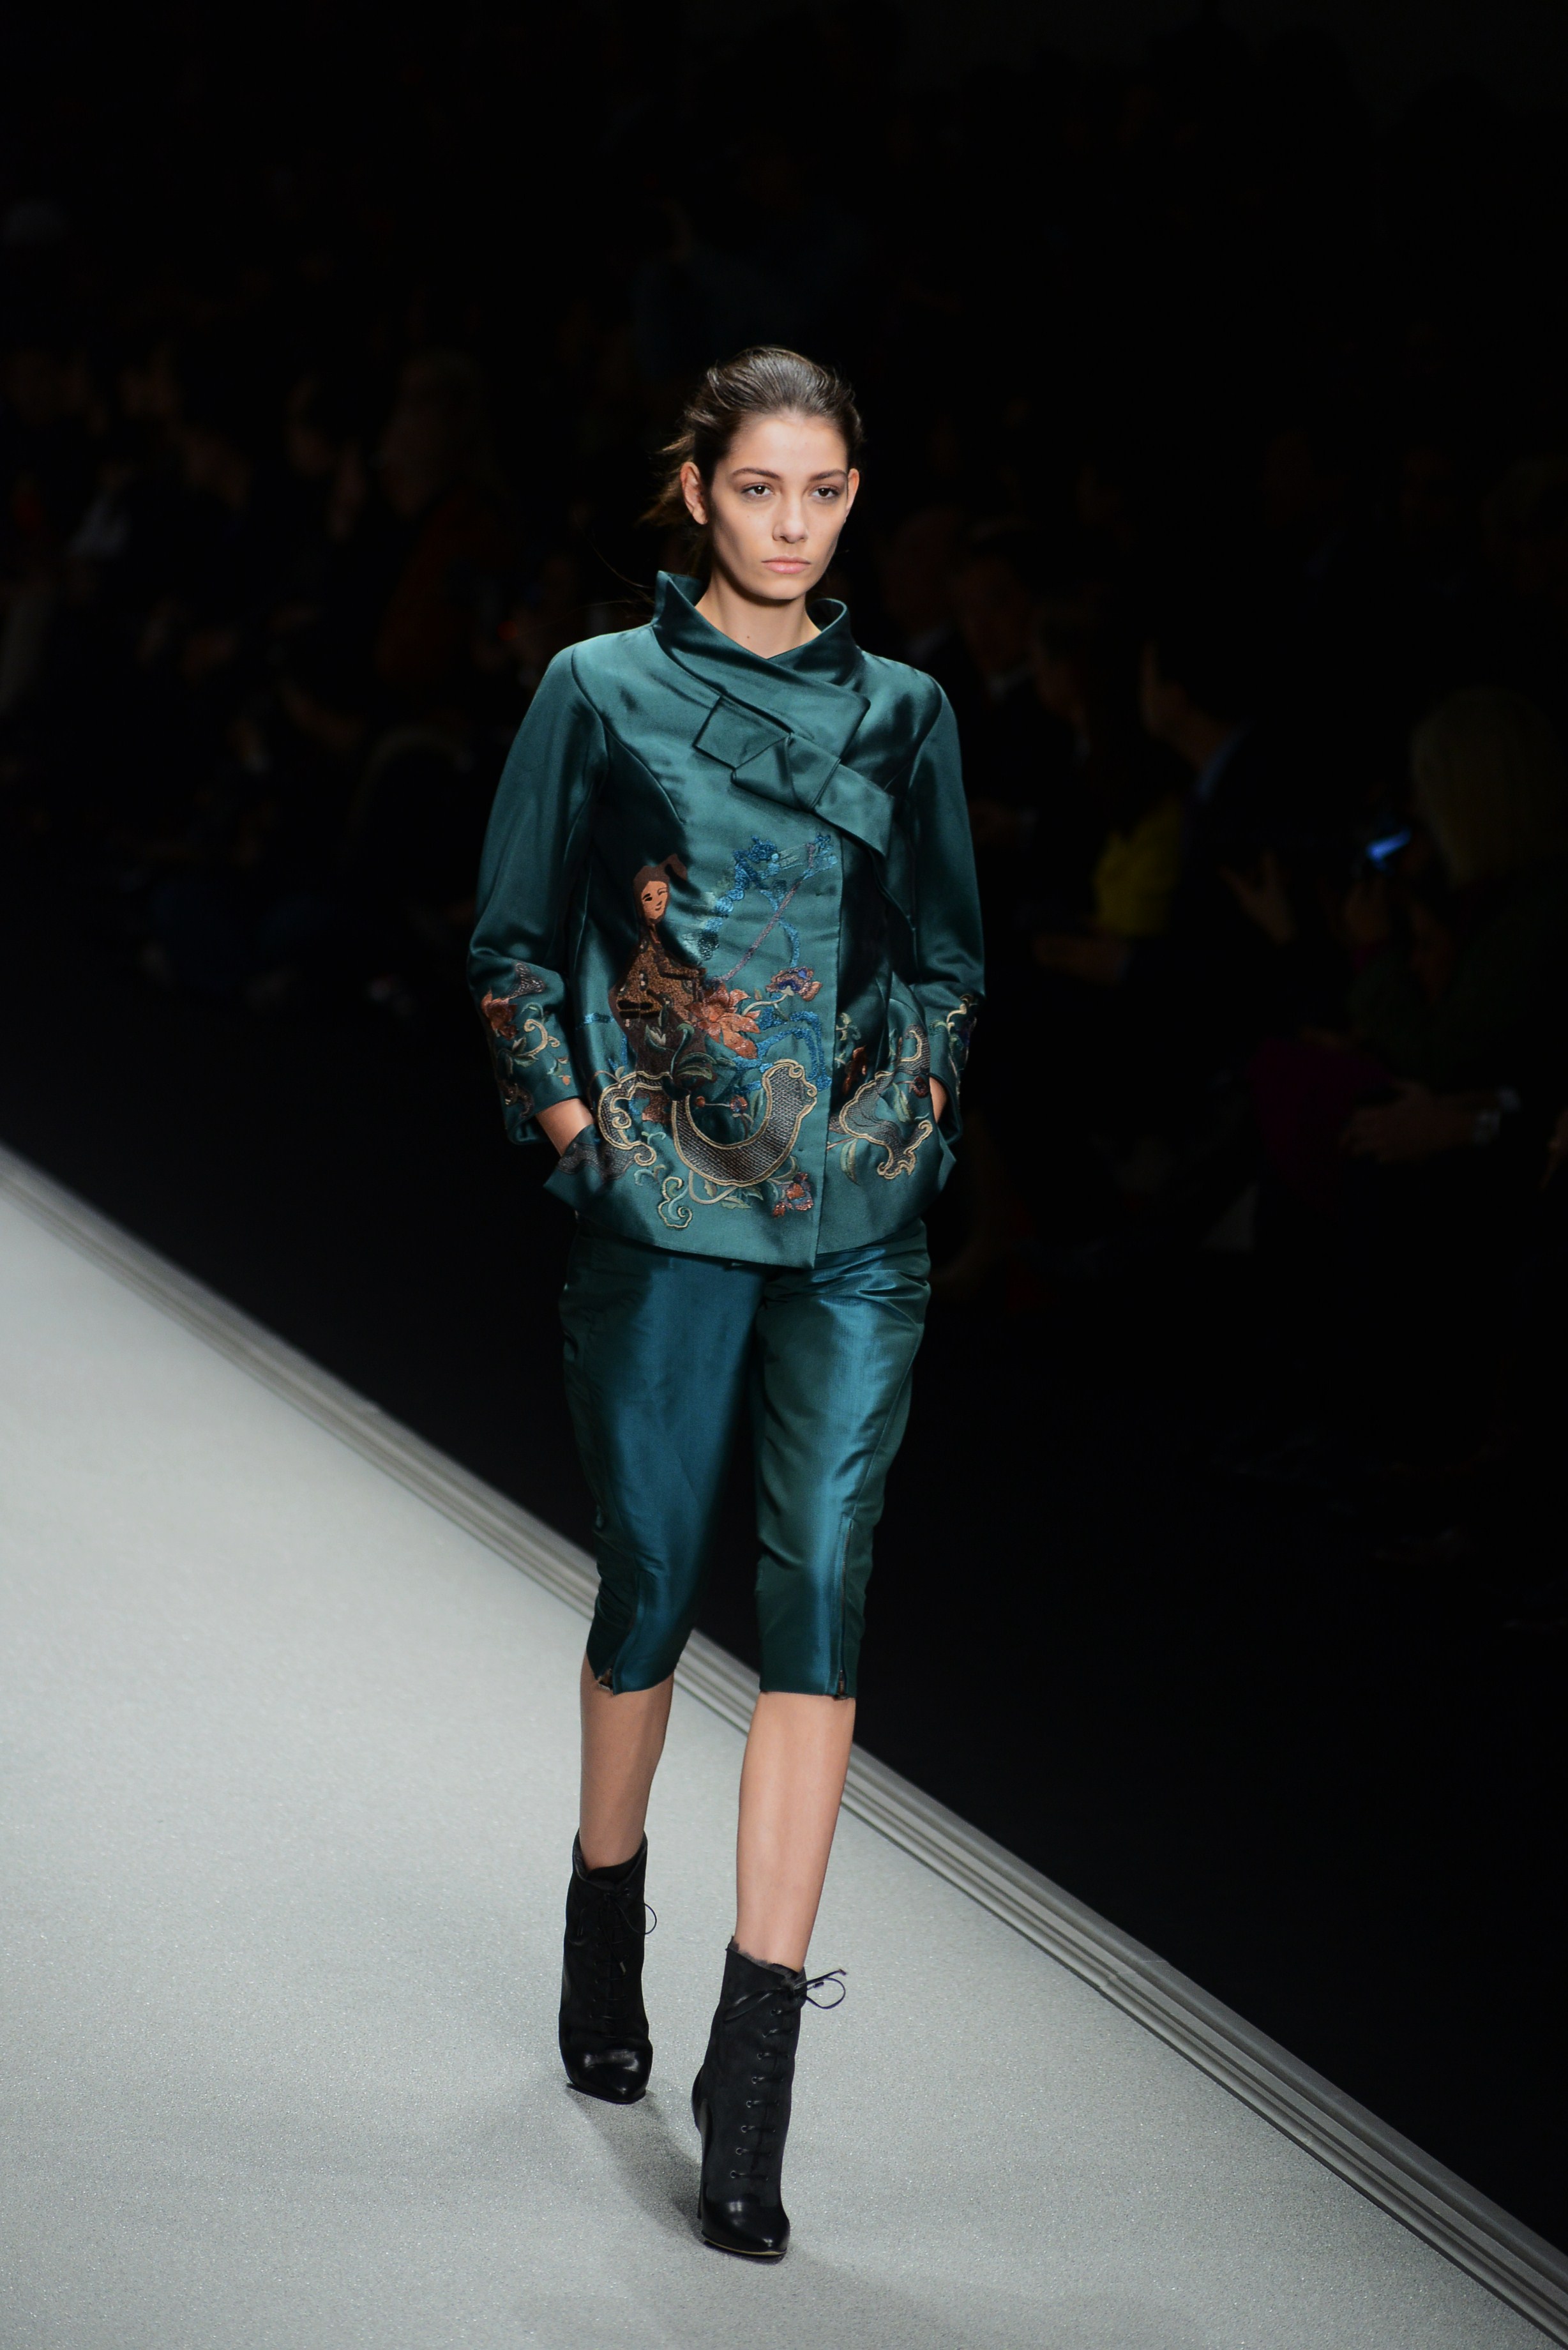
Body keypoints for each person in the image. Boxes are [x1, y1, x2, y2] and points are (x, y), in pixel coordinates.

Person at [468, 347, 983, 2260]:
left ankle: (750, 2082)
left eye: (825, 492)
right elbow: (513, 944)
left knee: (823, 1589)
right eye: (760, 488)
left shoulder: (909, 712)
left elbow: (947, 960)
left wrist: (909, 1122)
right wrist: (580, 1133)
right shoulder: (597, 688)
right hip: (668, 1205)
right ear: (698, 491)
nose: (793, 524)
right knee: (652, 1579)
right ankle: (607, 1919)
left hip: (854, 1219)